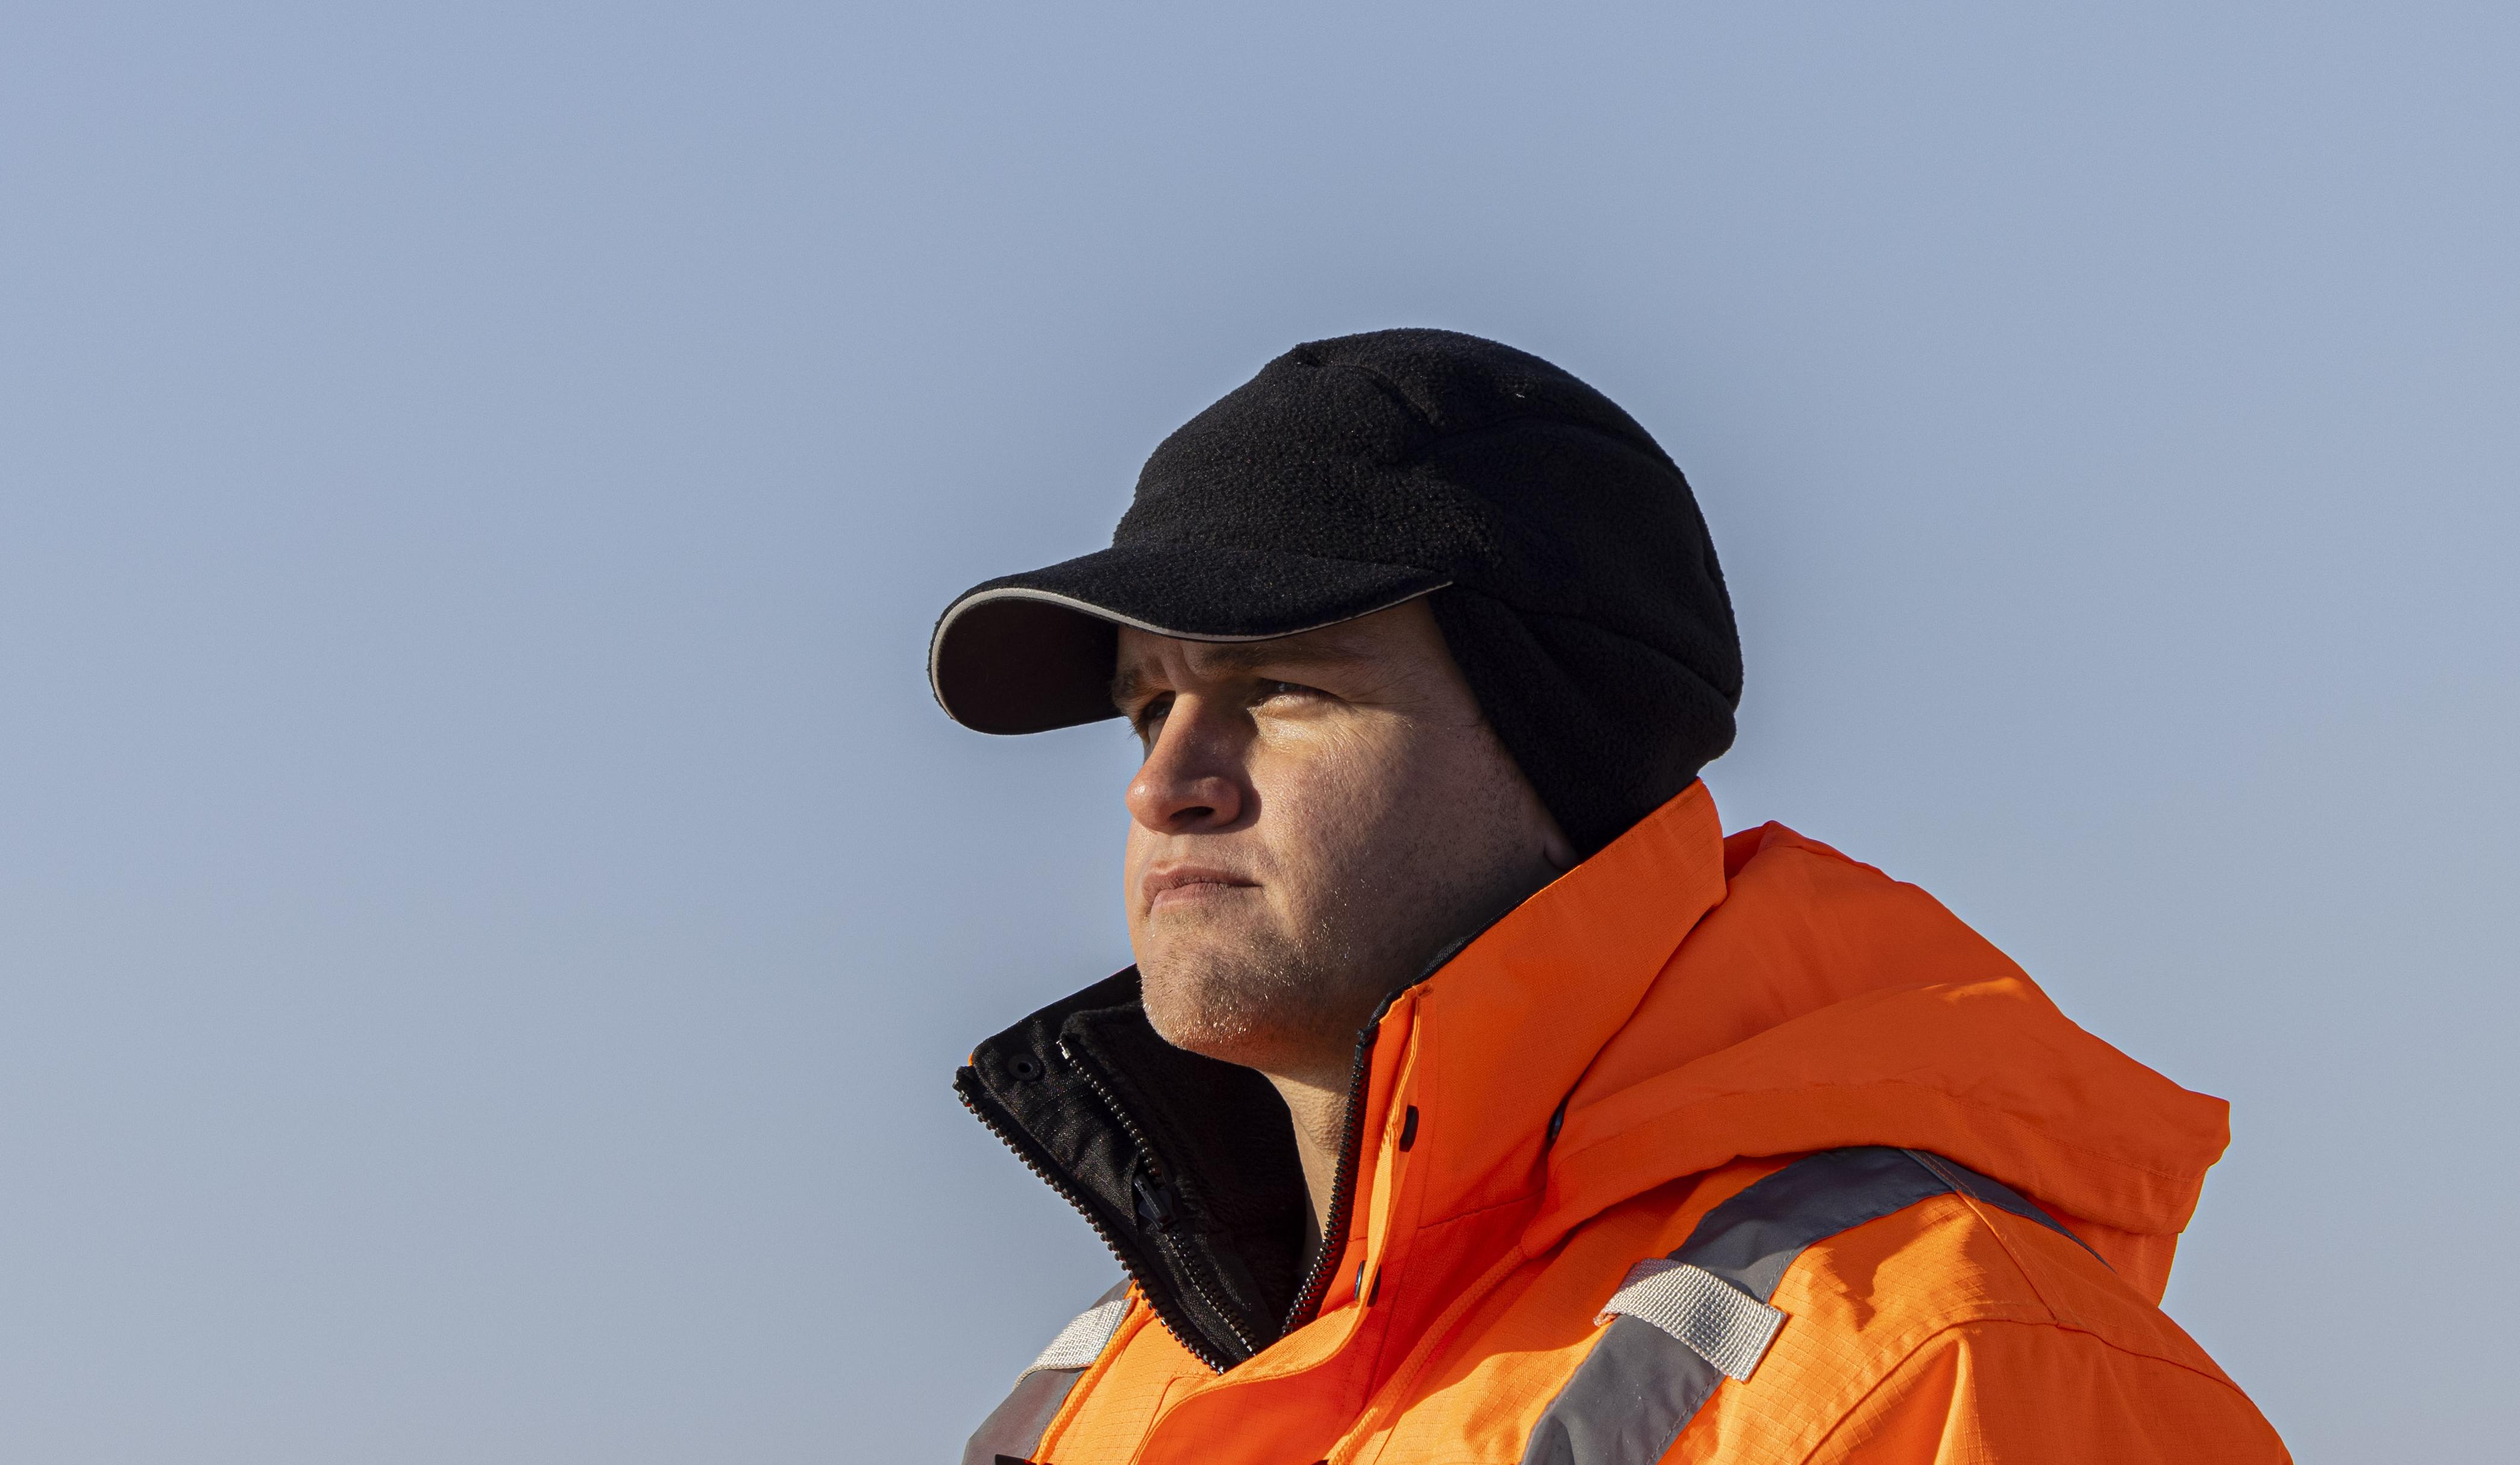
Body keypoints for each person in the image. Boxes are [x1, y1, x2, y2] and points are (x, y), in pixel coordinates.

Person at [929, 329, 2288, 1464]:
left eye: (1281, 689)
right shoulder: (1098, 1399)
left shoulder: (1948, 1369)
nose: (1166, 784)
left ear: (1555, 740)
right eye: (1148, 704)